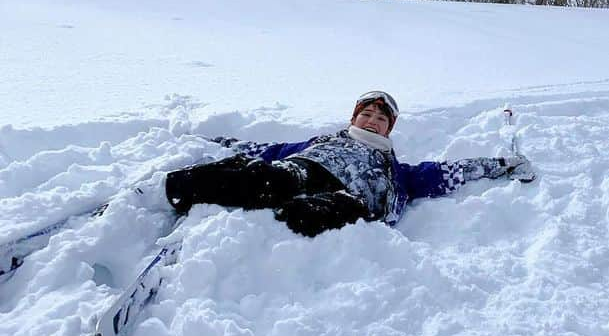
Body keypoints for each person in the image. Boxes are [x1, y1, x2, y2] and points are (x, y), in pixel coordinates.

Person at [165, 91, 534, 236]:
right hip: (308, 168)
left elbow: (447, 173)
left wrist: (498, 164)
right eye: (367, 114)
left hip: (355, 198)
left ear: (389, 128)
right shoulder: (322, 141)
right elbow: (267, 150)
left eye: (381, 118)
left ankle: (291, 219)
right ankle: (179, 185)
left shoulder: (397, 171)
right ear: (354, 118)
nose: (372, 120)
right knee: (267, 176)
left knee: (329, 210)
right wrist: (221, 142)